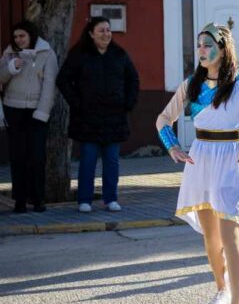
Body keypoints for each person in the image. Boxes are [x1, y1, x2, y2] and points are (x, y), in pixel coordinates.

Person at [155, 23, 239, 304]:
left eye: (208, 44)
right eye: (199, 45)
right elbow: (164, 119)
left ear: (223, 48)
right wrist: (172, 147)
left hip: (232, 158)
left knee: (231, 233)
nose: (202, 50)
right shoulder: (192, 84)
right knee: (210, 237)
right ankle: (222, 290)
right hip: (200, 158)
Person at [57, 16, 139, 213]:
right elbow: (63, 80)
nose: (106, 34)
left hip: (114, 118)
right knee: (88, 160)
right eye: (101, 30)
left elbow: (133, 80)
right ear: (91, 33)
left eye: (108, 30)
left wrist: (128, 103)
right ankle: (84, 200)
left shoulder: (120, 55)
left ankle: (110, 199)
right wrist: (77, 103)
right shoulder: (79, 55)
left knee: (112, 161)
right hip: (88, 119)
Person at [0, 21, 57, 213]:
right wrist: (11, 67)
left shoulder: (47, 54)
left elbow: (50, 86)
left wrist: (42, 113)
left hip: (36, 111)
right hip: (13, 109)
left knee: (37, 157)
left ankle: (38, 199)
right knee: (17, 157)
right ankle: (20, 201)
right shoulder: (9, 53)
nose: (18, 40)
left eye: (22, 36)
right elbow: (1, 78)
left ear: (31, 35)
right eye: (16, 37)